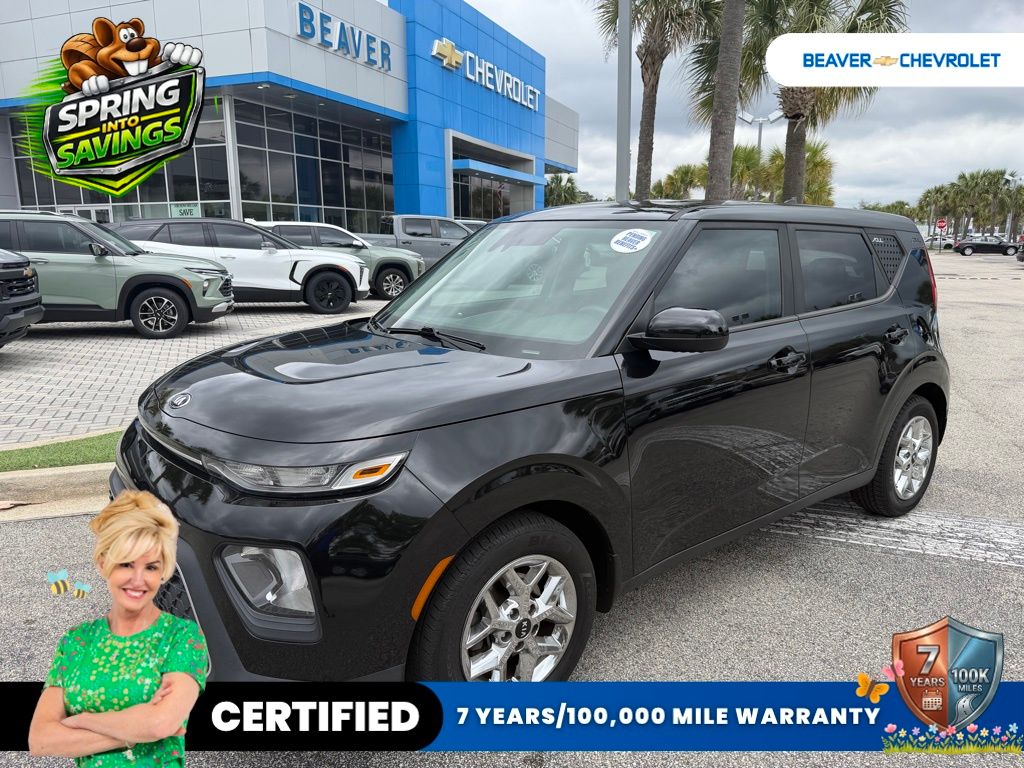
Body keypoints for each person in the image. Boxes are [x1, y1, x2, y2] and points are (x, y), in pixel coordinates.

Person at [28, 490, 207, 766]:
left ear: (163, 571)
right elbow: (41, 739)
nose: (138, 579)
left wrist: (82, 721)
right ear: (104, 565)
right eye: (126, 564)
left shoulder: (181, 637)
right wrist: (133, 732)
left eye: (151, 567)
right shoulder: (76, 641)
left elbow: (160, 724)